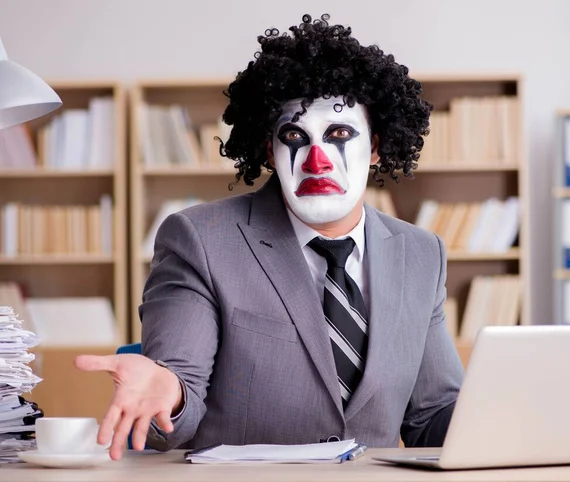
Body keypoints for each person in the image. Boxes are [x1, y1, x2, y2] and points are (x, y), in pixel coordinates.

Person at [75, 13, 463, 461]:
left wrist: (511, 411)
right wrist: (170, 392)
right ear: (269, 151)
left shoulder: (421, 253)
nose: (316, 159)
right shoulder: (200, 239)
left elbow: (432, 418)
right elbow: (179, 396)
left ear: (375, 147)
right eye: (295, 136)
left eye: (339, 134)